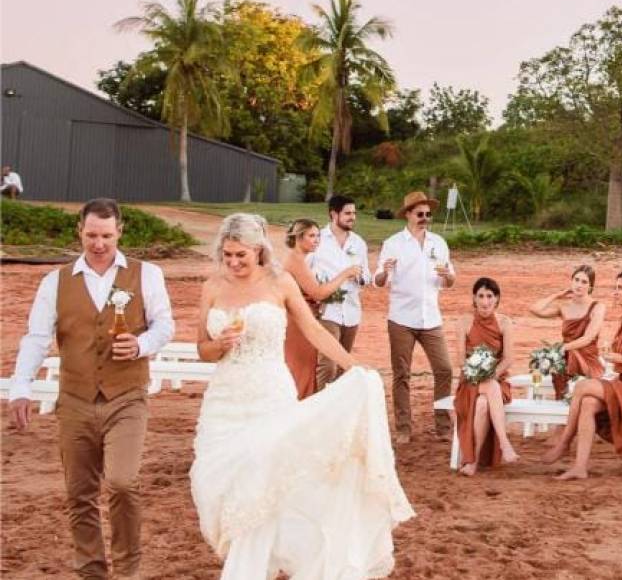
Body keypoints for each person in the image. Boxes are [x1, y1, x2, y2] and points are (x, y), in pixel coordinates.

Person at [191, 213, 413, 578]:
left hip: (269, 395)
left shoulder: (281, 283)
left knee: (263, 480)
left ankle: (247, 570)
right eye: (227, 255)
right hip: (225, 400)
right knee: (222, 483)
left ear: (258, 250)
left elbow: (312, 330)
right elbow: (202, 347)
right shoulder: (212, 286)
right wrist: (219, 344)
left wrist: (353, 365)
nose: (233, 263)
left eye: (240, 255)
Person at [8, 198, 174, 579]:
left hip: (127, 396)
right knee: (79, 494)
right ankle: (92, 572)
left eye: (107, 236)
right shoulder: (55, 281)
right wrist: (21, 386)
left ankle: (128, 570)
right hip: (75, 399)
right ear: (80, 231)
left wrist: (141, 344)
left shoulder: (147, 274)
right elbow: (36, 337)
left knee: (121, 481)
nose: (99, 243)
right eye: (92, 235)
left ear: (120, 232)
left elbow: (165, 325)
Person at [543, 272, 622, 480]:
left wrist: (617, 357)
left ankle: (564, 442)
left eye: (619, 288)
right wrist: (613, 354)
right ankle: (580, 467)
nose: (614, 293)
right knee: (588, 402)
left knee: (582, 387)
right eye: (614, 288)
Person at [376, 190, 456, 443]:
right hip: (401, 318)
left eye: (428, 214)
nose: (424, 218)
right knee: (401, 374)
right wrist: (384, 272)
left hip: (431, 317)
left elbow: (450, 280)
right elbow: (379, 281)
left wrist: (448, 276)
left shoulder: (439, 243)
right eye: (420, 214)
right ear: (408, 215)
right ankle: (403, 427)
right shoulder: (393, 244)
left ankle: (443, 425)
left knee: (444, 369)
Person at [280, 218, 364, 399]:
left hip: (304, 315)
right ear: (298, 238)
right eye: (311, 236)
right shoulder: (296, 260)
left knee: (306, 368)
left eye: (318, 236)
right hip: (297, 321)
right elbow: (318, 293)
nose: (317, 240)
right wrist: (345, 274)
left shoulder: (300, 258)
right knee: (301, 370)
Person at [452, 277, 520, 475]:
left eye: (490, 296)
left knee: (483, 404)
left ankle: (473, 462)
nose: (485, 301)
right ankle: (505, 443)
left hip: (497, 380)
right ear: (474, 298)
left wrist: (491, 373)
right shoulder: (464, 322)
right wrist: (476, 373)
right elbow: (460, 360)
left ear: (497, 299)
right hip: (470, 381)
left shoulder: (505, 322)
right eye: (480, 296)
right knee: (489, 388)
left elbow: (508, 359)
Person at [309, 195, 372, 390]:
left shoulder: (359, 243)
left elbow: (367, 277)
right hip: (326, 310)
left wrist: (360, 277)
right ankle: (320, 409)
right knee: (328, 365)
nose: (352, 217)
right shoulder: (317, 239)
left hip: (352, 311)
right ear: (333, 214)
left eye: (354, 213)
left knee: (344, 366)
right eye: (347, 213)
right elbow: (303, 270)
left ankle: (337, 410)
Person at [528, 265, 607, 399]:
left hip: (586, 359)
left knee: (561, 359)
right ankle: (560, 398)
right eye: (576, 280)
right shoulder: (564, 306)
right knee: (548, 362)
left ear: (590, 286)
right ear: (571, 282)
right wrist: (556, 295)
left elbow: (588, 338)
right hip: (564, 357)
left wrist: (561, 348)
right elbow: (534, 309)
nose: (579, 285)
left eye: (584, 282)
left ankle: (568, 398)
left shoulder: (598, 307)